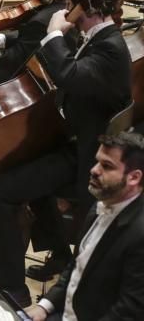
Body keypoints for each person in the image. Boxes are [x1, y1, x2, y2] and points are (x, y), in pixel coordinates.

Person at [0, 0, 132, 306]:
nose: (64, 9)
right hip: (74, 143)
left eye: (68, 4)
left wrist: (53, 35)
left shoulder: (111, 50)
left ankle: (13, 290)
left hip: (87, 157)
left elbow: (69, 75)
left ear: (82, 7)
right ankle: (60, 255)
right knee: (28, 170)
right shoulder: (100, 38)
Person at [23, 131, 144, 321]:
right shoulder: (100, 204)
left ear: (134, 177)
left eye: (107, 166)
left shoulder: (139, 234)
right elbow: (76, 265)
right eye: (97, 161)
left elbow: (130, 311)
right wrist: (44, 306)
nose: (94, 170)